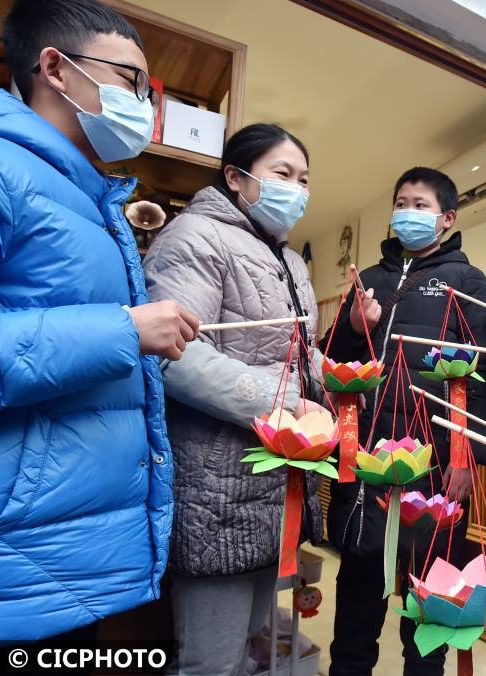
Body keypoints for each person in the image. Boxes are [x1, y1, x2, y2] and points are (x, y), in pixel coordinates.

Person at [0, 0, 199, 642]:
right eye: (131, 81)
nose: (146, 103)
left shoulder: (95, 197)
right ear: (55, 68)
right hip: (31, 571)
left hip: (103, 556)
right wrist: (123, 332)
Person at [142, 123, 326, 675]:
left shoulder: (290, 260)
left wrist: (332, 376)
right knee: (211, 661)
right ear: (236, 177)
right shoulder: (194, 235)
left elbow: (295, 351)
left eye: (304, 179)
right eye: (281, 174)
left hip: (277, 482)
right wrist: (286, 402)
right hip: (215, 484)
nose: (295, 188)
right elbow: (175, 353)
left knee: (251, 647)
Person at [323, 167, 486, 676]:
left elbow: (482, 374)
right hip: (368, 459)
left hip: (434, 461)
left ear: (446, 218)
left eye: (420, 205)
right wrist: (356, 328)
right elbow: (335, 361)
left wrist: (466, 456)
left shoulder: (467, 281)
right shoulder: (369, 280)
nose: (408, 213)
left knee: (428, 597)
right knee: (357, 587)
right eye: (402, 202)